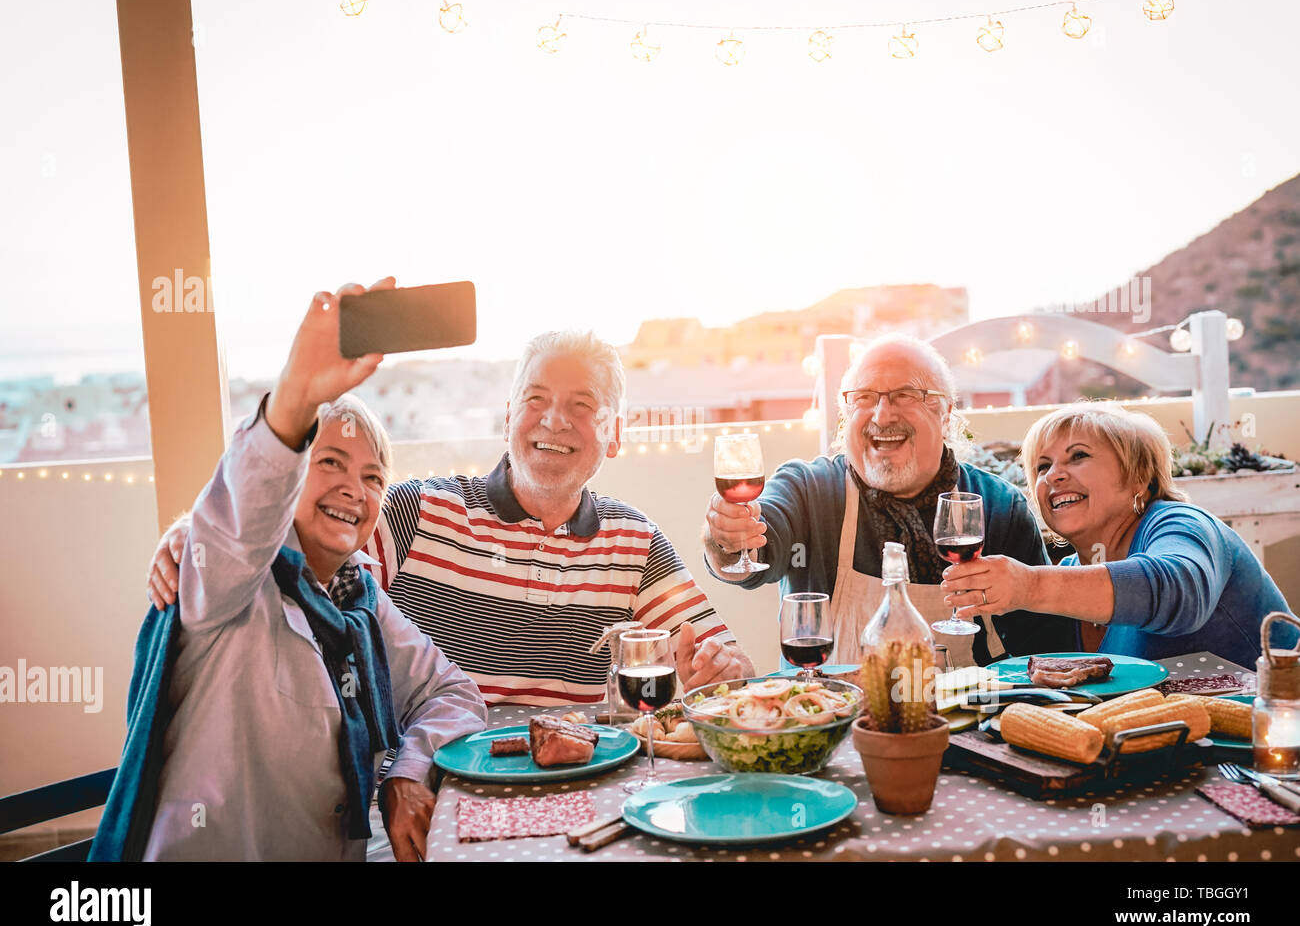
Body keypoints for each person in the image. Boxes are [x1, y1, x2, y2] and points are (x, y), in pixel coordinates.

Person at [149, 328, 753, 705]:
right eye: (536, 400)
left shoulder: (635, 541)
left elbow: (729, 665)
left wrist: (719, 668)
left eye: (581, 406)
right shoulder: (418, 511)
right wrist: (194, 532)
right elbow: (297, 550)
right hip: (426, 785)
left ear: (615, 436)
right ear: (508, 413)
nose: (552, 420)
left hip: (582, 786)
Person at [101, 280, 486, 862]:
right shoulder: (228, 583)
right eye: (328, 462)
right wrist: (296, 396)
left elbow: (449, 692)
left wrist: (409, 773)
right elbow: (240, 515)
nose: (353, 491)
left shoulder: (356, 596)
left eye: (373, 477)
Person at [702, 334, 1075, 667]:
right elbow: (756, 551)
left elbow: (1047, 650)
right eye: (864, 397)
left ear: (944, 414)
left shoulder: (999, 506)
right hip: (833, 726)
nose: (882, 414)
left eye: (905, 395)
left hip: (966, 732)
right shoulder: (808, 489)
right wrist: (728, 537)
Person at [940, 401, 1297, 668]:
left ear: (1138, 477)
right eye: (1043, 466)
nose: (1054, 476)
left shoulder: (1181, 524)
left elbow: (1180, 591)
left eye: (1078, 456)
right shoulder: (1068, 575)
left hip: (1275, 742)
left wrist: (1029, 586)